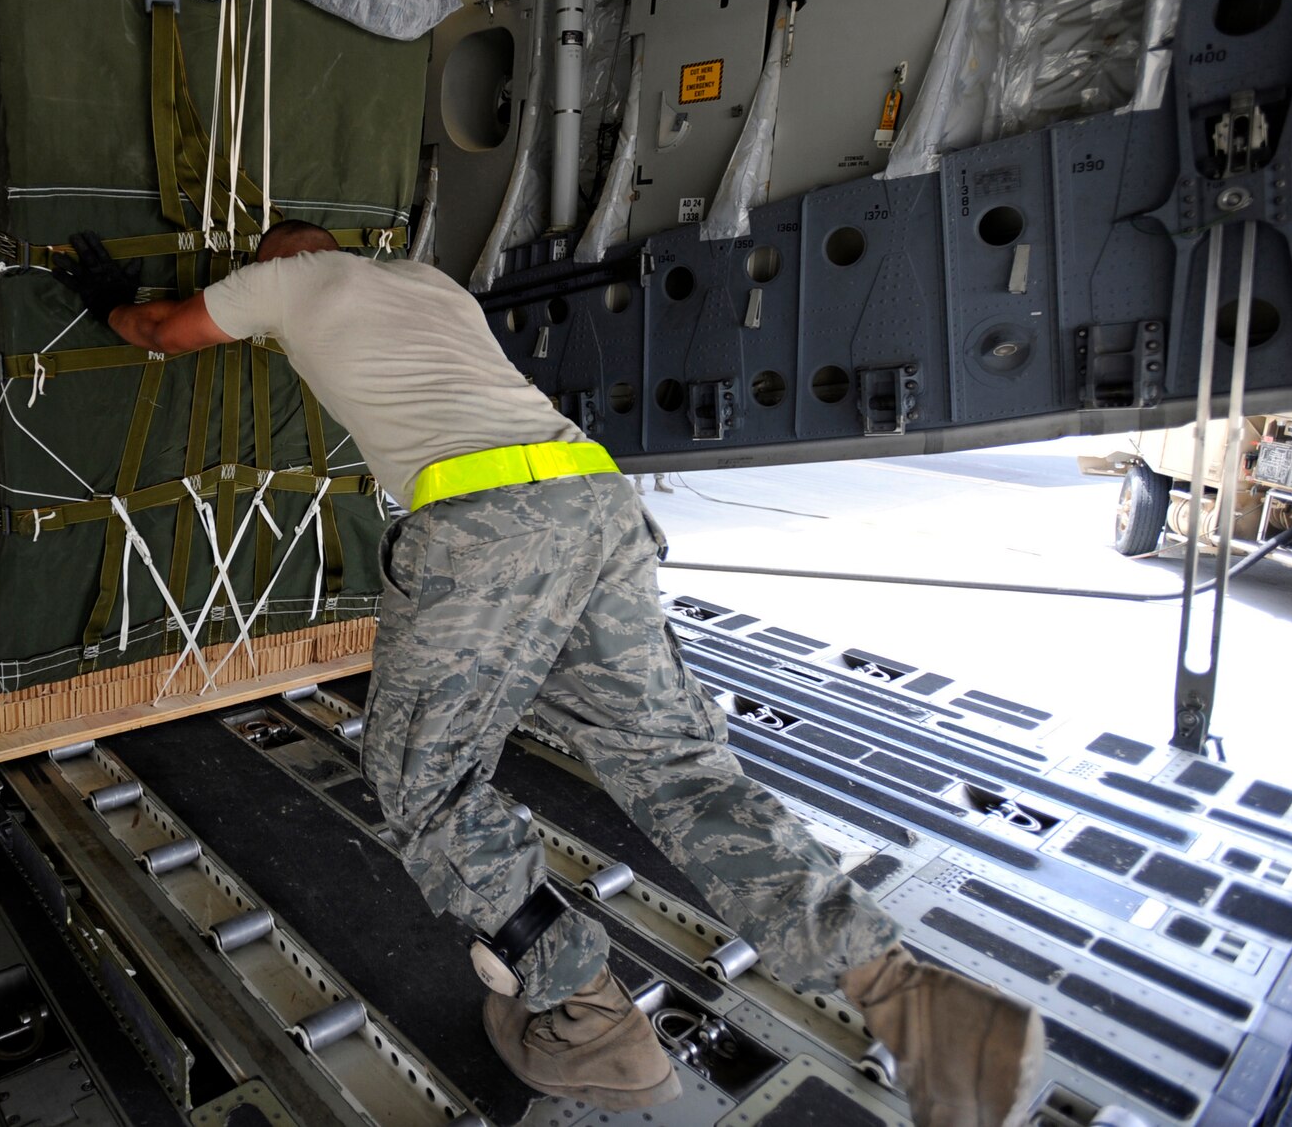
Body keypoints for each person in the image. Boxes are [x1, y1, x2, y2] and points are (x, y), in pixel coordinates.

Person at [57, 220, 1046, 1124]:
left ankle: (585, 1018)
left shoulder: (291, 282)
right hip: (593, 502)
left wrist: (107, 296)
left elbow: (162, 332)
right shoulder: (429, 284)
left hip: (483, 528)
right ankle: (911, 1003)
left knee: (426, 781)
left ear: (282, 256)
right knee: (676, 768)